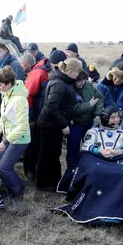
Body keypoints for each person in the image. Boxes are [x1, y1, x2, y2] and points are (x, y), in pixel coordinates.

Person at [36, 58, 82, 191]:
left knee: (54, 153)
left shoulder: (65, 81)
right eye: (77, 73)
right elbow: (51, 107)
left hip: (54, 124)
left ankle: (54, 180)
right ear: (71, 71)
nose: (78, 76)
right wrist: (64, 124)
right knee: (47, 153)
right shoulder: (59, 84)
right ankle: (43, 183)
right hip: (49, 125)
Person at [23, 51, 64, 178]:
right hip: (36, 115)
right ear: (51, 63)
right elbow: (27, 96)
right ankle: (30, 170)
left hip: (51, 117)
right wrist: (30, 118)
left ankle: (43, 172)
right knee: (34, 144)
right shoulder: (39, 73)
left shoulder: (61, 73)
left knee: (45, 146)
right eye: (57, 65)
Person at [0, 66, 30, 198]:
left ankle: (17, 193)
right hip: (8, 136)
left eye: (0, 85)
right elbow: (4, 116)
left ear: (9, 83)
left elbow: (22, 126)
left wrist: (5, 141)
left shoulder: (20, 100)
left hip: (20, 139)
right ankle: (15, 186)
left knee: (4, 168)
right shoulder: (6, 94)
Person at [66, 70, 104, 167]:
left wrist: (97, 114)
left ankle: (89, 169)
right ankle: (71, 170)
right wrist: (89, 105)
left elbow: (99, 97)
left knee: (91, 148)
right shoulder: (68, 88)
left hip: (90, 123)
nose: (82, 83)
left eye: (84, 80)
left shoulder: (88, 85)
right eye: (79, 81)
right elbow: (71, 109)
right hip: (75, 124)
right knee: (73, 150)